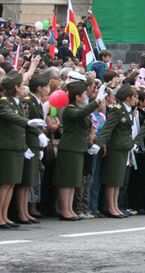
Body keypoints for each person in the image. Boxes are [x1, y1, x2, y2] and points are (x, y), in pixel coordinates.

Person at [0, 71, 47, 229]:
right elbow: (10, 116)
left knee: (12, 184)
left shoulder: (16, 102)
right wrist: (27, 122)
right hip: (7, 147)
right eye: (21, 85)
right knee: (6, 184)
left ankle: (5, 216)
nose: (23, 87)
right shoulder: (4, 101)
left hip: (17, 146)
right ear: (16, 87)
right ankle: (0, 217)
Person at [53, 80, 105, 221]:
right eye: (83, 94)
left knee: (73, 181)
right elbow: (81, 113)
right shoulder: (70, 108)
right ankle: (64, 210)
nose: (85, 96)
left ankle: (69, 208)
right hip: (70, 148)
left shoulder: (78, 108)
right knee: (66, 181)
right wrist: (96, 102)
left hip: (78, 148)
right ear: (77, 96)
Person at [94, 85, 137, 219]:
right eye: (134, 97)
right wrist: (98, 144)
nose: (136, 99)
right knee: (112, 179)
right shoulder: (117, 110)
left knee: (118, 180)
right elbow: (107, 129)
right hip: (116, 148)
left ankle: (115, 205)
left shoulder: (127, 110)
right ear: (128, 98)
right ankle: (110, 207)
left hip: (123, 147)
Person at [15, 74, 50, 224]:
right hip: (29, 142)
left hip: (35, 143)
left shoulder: (37, 101)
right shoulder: (29, 101)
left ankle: (26, 211)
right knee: (25, 181)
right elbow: (28, 122)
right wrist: (39, 134)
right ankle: (22, 212)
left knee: (29, 180)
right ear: (39, 88)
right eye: (46, 87)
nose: (48, 89)